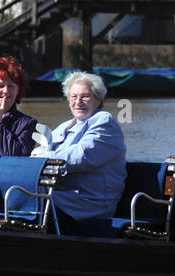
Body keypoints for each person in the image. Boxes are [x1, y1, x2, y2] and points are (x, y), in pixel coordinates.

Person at [34, 71, 127, 231]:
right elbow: (40, 151)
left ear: (98, 99)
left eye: (85, 97)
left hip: (90, 201)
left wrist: (41, 157)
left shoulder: (104, 122)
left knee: (32, 199)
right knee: (20, 195)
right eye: (73, 97)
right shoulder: (65, 126)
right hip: (63, 195)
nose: (78, 102)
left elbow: (82, 156)